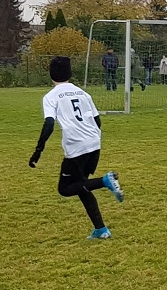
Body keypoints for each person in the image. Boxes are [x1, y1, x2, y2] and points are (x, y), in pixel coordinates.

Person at [28, 56, 125, 240]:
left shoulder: (51, 96)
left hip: (77, 147)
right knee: (82, 186)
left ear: (51, 74)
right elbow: (97, 120)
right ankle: (101, 229)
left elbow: (49, 124)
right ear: (70, 73)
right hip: (94, 143)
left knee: (65, 188)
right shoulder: (83, 93)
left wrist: (38, 150)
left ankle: (105, 180)